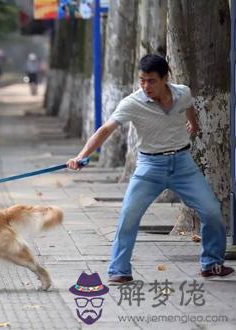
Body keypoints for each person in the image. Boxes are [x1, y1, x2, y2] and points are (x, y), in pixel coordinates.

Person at [66, 54, 234, 284]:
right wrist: (81, 156)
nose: (146, 86)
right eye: (142, 80)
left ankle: (212, 264)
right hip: (150, 167)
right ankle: (119, 270)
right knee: (129, 215)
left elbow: (189, 107)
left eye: (151, 81)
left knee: (212, 211)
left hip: (183, 165)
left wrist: (193, 124)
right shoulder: (132, 103)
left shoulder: (182, 92)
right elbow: (105, 130)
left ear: (166, 78)